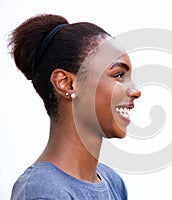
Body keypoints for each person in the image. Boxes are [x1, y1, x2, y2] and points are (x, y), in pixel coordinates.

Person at [9, 14, 141, 200]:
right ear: (67, 83)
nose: (135, 91)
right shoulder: (43, 191)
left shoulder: (112, 181)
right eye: (119, 75)